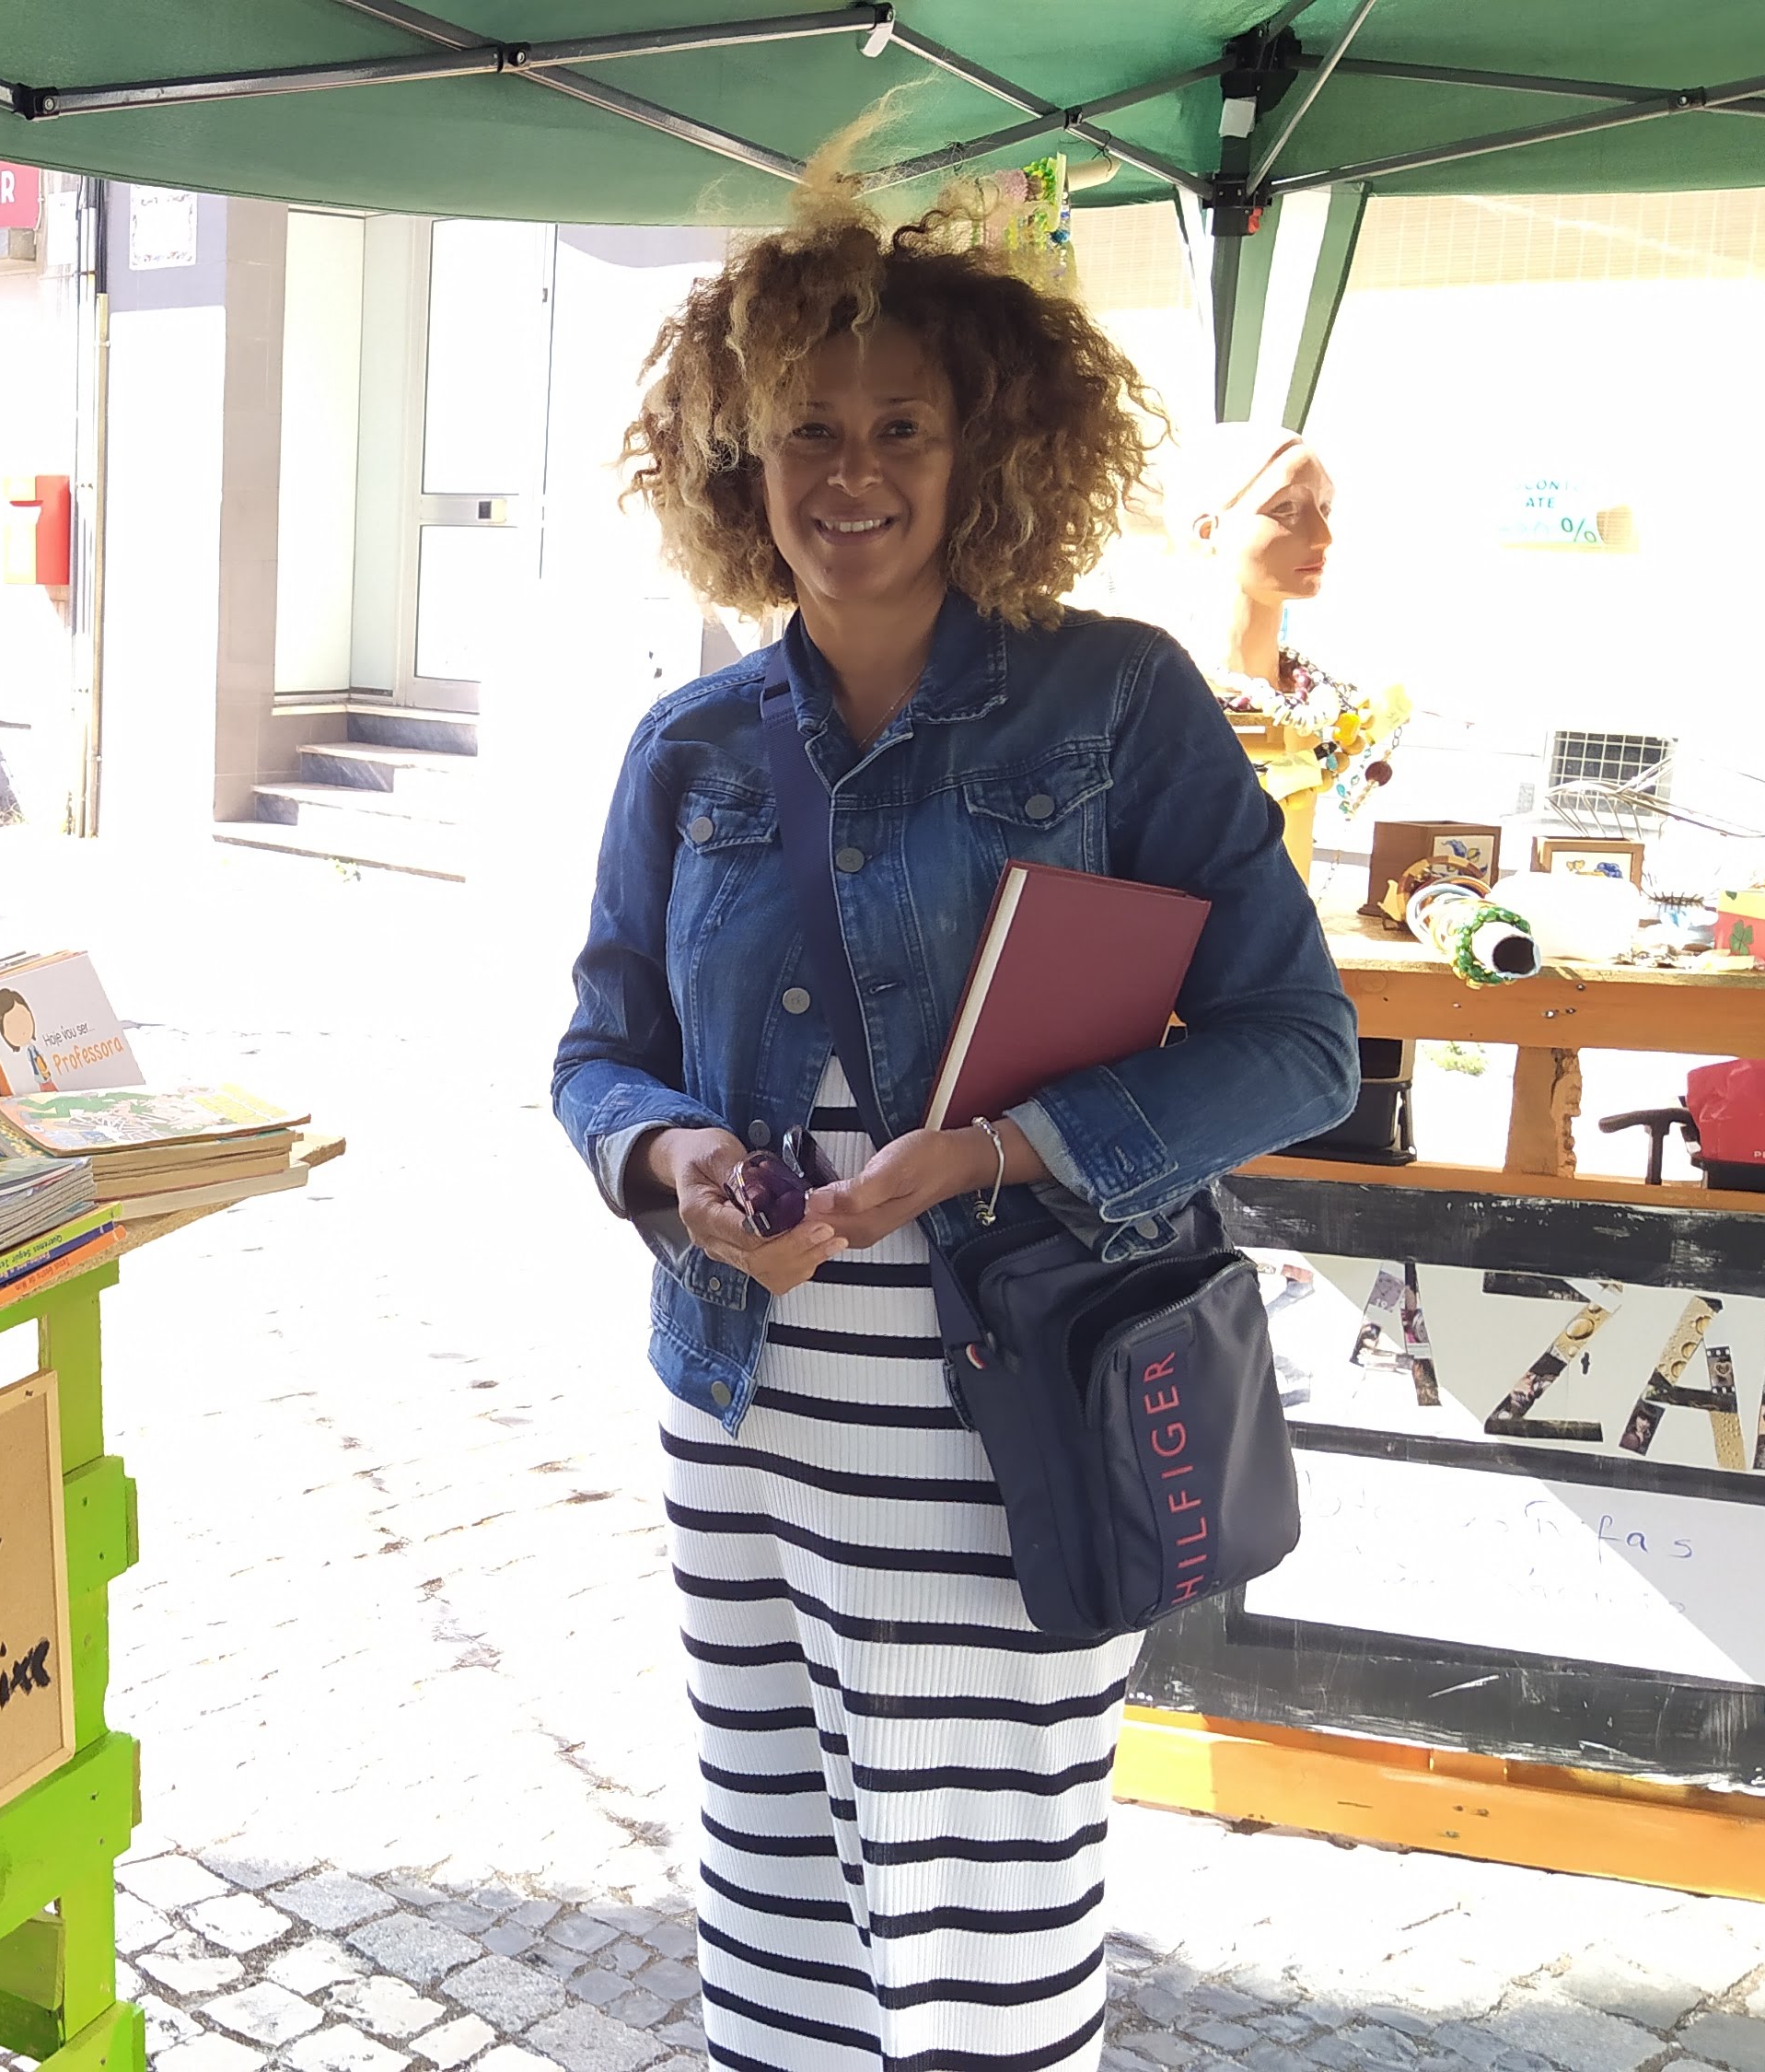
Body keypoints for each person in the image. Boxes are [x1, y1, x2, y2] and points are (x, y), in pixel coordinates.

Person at [555, 151, 1356, 2071]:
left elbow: (1294, 1043)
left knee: (979, 1915)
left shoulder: (1114, 703)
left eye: (896, 424)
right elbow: (599, 1042)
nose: (849, 471)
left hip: (994, 1403)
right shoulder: (687, 744)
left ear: (980, 442)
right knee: (777, 1890)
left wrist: (998, 1150)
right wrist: (668, 1158)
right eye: (799, 431)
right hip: (735, 1392)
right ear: (729, 464)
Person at [1167, 420, 1408, 882]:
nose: (1323, 535)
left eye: (1324, 507)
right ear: (1207, 531)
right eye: (1286, 509)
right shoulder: (1164, 699)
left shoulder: (1323, 706)